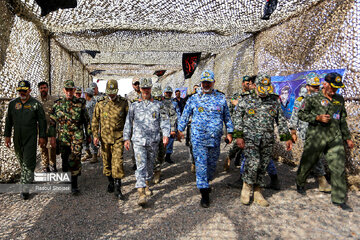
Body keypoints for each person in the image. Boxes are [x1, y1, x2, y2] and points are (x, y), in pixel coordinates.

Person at [296, 72, 354, 212]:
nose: (334, 91)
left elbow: (342, 120)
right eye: (332, 87)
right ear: (325, 84)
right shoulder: (312, 98)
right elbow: (301, 114)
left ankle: (339, 199)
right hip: (316, 136)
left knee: (338, 167)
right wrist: (317, 118)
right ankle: (300, 182)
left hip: (334, 137)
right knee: (308, 162)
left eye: (337, 88)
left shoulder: (339, 99)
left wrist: (347, 137)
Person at [233, 74, 292, 207]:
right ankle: (246, 187)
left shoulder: (273, 100)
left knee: (263, 164)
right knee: (253, 163)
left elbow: (281, 120)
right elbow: (237, 118)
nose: (264, 91)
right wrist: (239, 136)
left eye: (266, 88)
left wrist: (286, 138)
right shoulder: (246, 99)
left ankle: (258, 191)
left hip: (267, 139)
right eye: (261, 88)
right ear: (254, 85)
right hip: (250, 139)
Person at [178, 70, 234, 208]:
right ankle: (204, 192)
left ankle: (206, 181)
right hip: (198, 138)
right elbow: (185, 115)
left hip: (215, 139)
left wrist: (230, 132)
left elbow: (227, 117)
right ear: (201, 83)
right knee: (201, 164)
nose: (206, 85)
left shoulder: (221, 98)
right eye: (204, 82)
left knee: (212, 164)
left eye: (209, 82)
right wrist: (180, 130)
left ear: (213, 82)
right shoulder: (194, 99)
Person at [123, 78, 170, 206]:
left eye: (148, 88)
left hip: (153, 141)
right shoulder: (134, 105)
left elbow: (164, 121)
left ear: (151, 88)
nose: (146, 90)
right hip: (138, 141)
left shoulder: (159, 105)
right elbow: (128, 123)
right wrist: (126, 138)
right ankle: (141, 193)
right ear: (140, 89)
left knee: (150, 166)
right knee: (141, 165)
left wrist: (166, 134)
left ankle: (147, 184)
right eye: (143, 88)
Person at [4, 80, 46, 200]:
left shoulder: (36, 104)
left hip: (30, 137)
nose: (22, 93)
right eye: (20, 91)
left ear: (29, 91)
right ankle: (28, 177)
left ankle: (25, 188)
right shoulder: (13, 104)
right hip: (17, 137)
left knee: (28, 161)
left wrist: (42, 137)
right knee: (21, 161)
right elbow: (8, 121)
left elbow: (42, 122)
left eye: (24, 90)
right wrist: (7, 136)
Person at [289, 72, 331, 193]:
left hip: (320, 132)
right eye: (314, 86)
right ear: (307, 86)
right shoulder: (301, 100)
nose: (316, 89)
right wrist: (293, 131)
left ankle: (301, 179)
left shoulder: (322, 99)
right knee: (314, 156)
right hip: (306, 132)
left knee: (310, 157)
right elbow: (294, 116)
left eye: (318, 86)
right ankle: (321, 180)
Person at [48, 80, 91, 195]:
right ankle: (66, 175)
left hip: (76, 135)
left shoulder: (80, 103)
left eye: (71, 89)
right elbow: (52, 122)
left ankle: (74, 184)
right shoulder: (58, 104)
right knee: (65, 158)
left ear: (74, 90)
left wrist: (89, 135)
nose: (69, 92)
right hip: (63, 136)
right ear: (64, 90)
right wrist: (52, 137)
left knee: (75, 157)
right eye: (67, 90)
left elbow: (86, 121)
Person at [92, 80, 128, 200]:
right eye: (109, 92)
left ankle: (118, 187)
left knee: (117, 162)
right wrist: (95, 135)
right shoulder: (101, 104)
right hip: (105, 138)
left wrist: (128, 137)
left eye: (113, 92)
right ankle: (110, 182)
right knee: (106, 162)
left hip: (118, 137)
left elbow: (128, 121)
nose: (111, 95)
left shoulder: (123, 103)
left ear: (117, 91)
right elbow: (95, 120)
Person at [151, 86, 178, 184]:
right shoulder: (149, 104)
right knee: (152, 152)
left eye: (159, 97)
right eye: (155, 97)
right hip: (152, 133)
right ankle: (155, 171)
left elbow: (173, 116)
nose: (157, 99)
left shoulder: (168, 104)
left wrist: (173, 129)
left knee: (161, 152)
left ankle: (158, 168)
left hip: (164, 132)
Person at [37, 81, 57, 172]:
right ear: (39, 89)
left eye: (45, 88)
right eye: (41, 88)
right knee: (42, 147)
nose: (43, 89)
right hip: (40, 128)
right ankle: (45, 165)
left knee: (51, 147)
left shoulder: (53, 100)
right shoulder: (36, 101)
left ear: (47, 88)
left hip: (51, 127)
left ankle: (52, 164)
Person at [126, 78, 142, 171]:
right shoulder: (129, 96)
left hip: (144, 124)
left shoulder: (145, 94)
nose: (137, 85)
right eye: (135, 84)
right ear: (132, 85)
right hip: (134, 124)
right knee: (134, 145)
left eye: (138, 83)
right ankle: (135, 162)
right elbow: (128, 111)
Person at [163, 86, 181, 164]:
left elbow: (178, 113)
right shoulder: (161, 102)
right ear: (164, 93)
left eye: (170, 93)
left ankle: (168, 157)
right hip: (163, 126)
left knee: (170, 142)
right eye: (167, 93)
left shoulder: (174, 103)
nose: (168, 94)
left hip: (172, 126)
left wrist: (180, 126)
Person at [82, 87, 98, 163]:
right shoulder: (87, 102)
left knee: (92, 139)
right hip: (87, 124)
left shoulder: (93, 103)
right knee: (85, 138)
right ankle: (88, 152)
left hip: (92, 124)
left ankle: (95, 154)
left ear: (87, 94)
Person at [185, 84, 199, 173]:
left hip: (201, 127)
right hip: (191, 126)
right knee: (192, 145)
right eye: (195, 89)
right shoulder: (190, 98)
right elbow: (186, 111)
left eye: (197, 89)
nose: (196, 90)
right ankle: (193, 162)